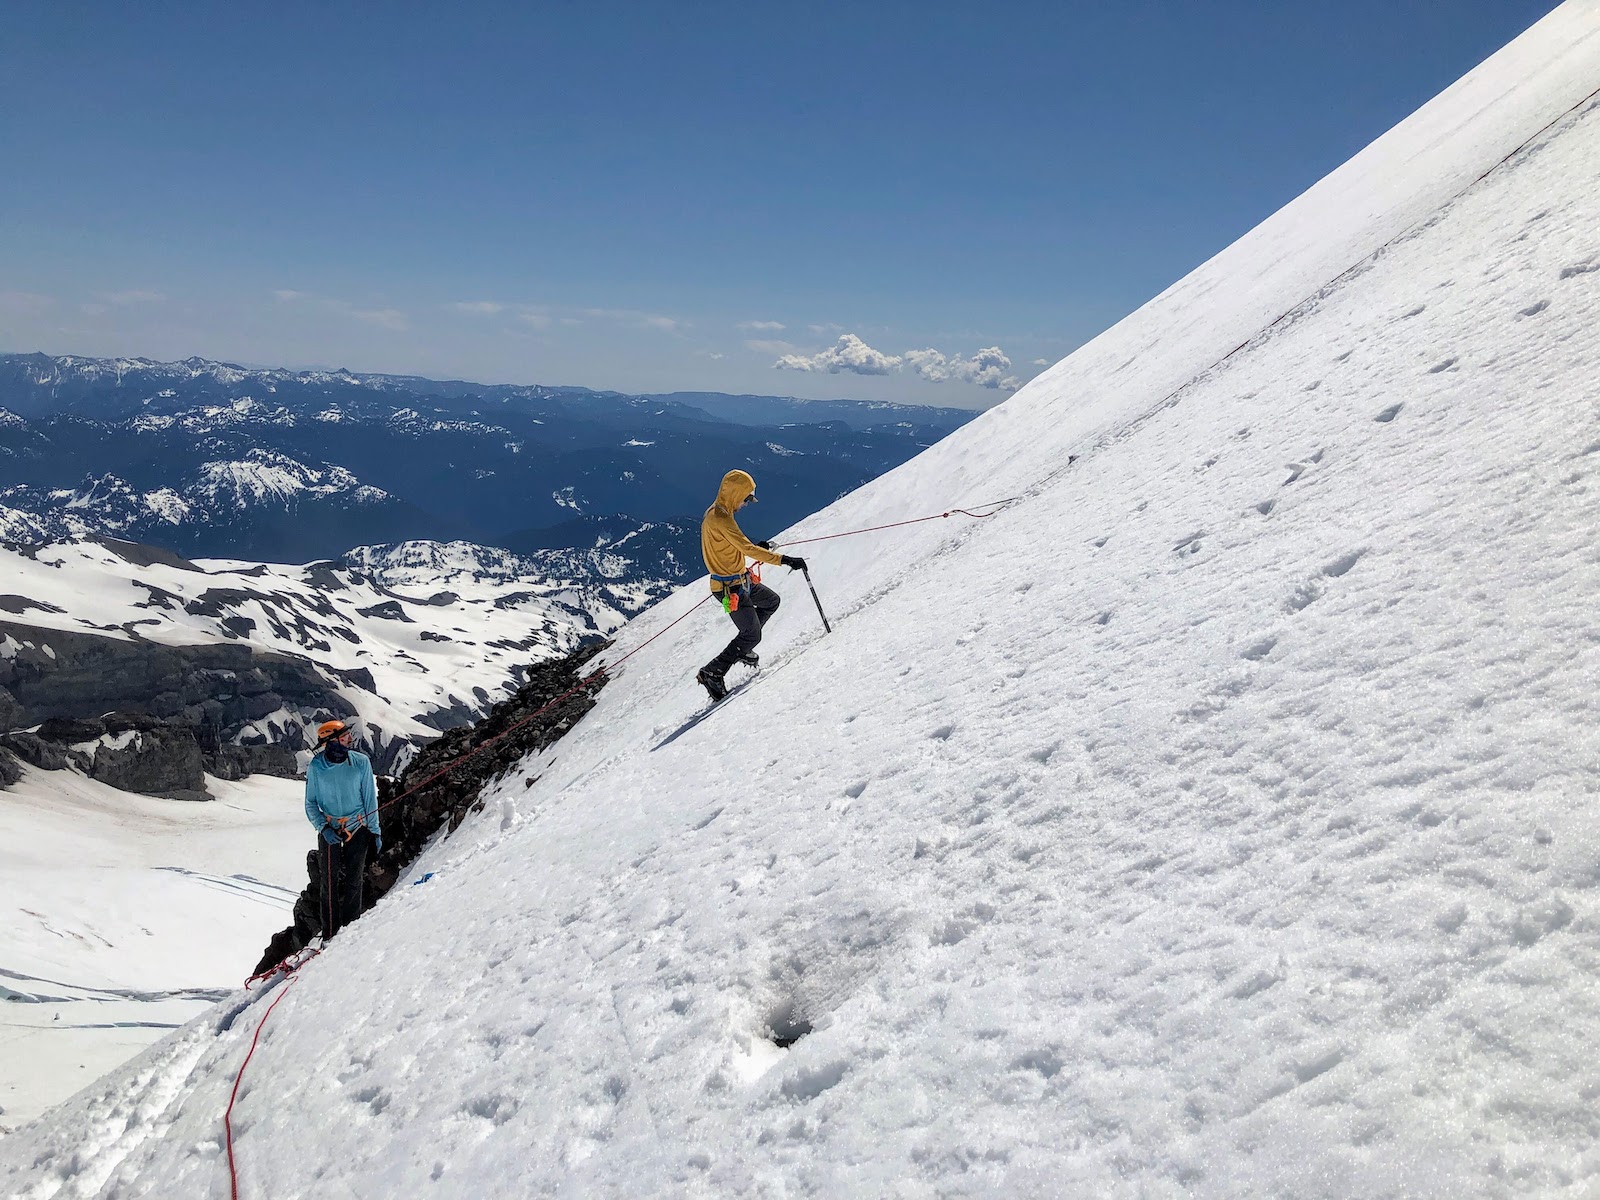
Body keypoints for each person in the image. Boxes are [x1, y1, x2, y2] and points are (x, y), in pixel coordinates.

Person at [697, 469, 806, 701]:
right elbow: (746, 549)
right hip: (730, 588)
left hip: (739, 581)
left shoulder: (718, 512)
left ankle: (743, 647)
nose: (746, 504)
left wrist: (760, 548)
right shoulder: (721, 518)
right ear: (735, 493)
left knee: (771, 602)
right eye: (746, 498)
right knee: (752, 633)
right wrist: (784, 559)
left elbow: (737, 546)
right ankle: (713, 672)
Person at [303, 719, 381, 940]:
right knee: (329, 885)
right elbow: (310, 804)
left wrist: (374, 831)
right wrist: (323, 827)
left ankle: (349, 932)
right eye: (345, 735)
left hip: (358, 829)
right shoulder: (316, 767)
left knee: (354, 881)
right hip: (330, 829)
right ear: (332, 740)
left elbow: (370, 799)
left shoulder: (361, 762)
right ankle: (329, 934)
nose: (350, 739)